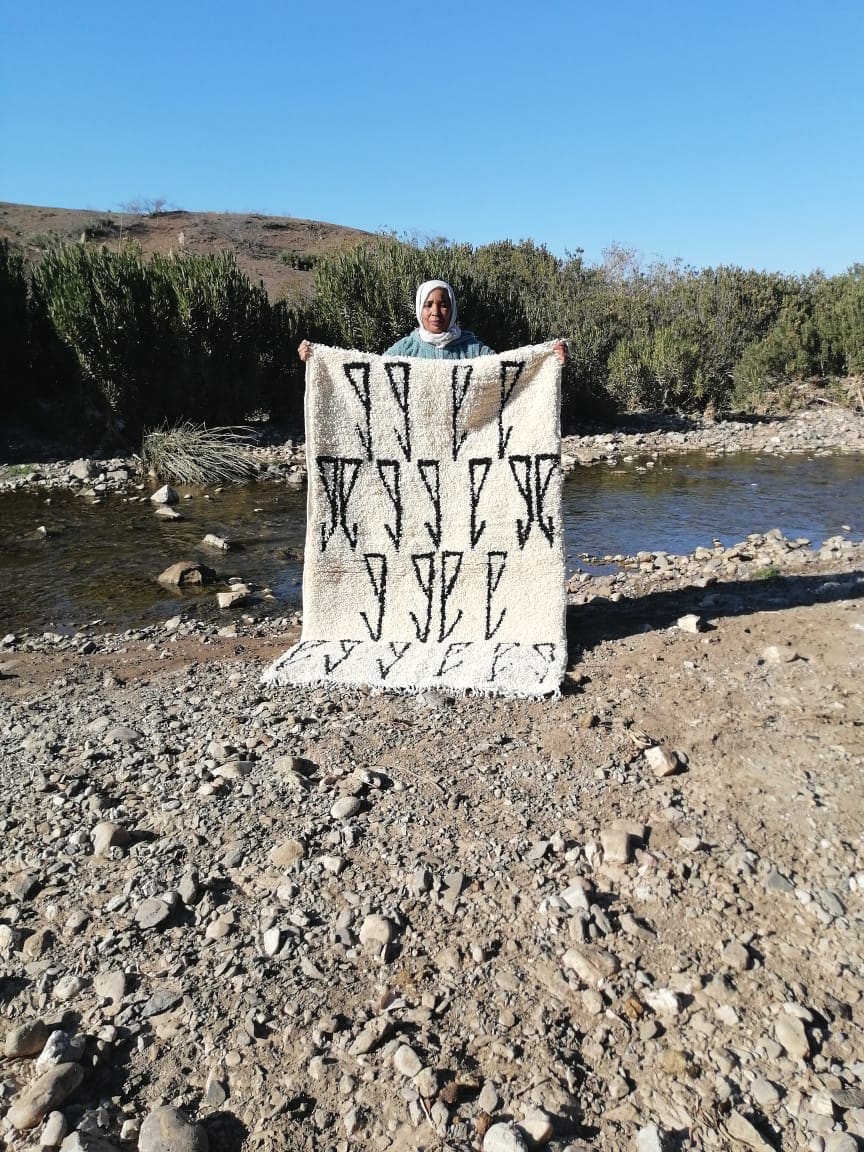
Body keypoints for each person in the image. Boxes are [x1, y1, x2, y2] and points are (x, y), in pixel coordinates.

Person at [297, 280, 567, 364]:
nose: (436, 311)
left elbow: (508, 370)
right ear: (419, 309)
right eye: (428, 305)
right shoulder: (406, 349)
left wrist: (549, 358)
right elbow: (371, 373)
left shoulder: (472, 348)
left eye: (443, 304)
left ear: (453, 309)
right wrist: (319, 358)